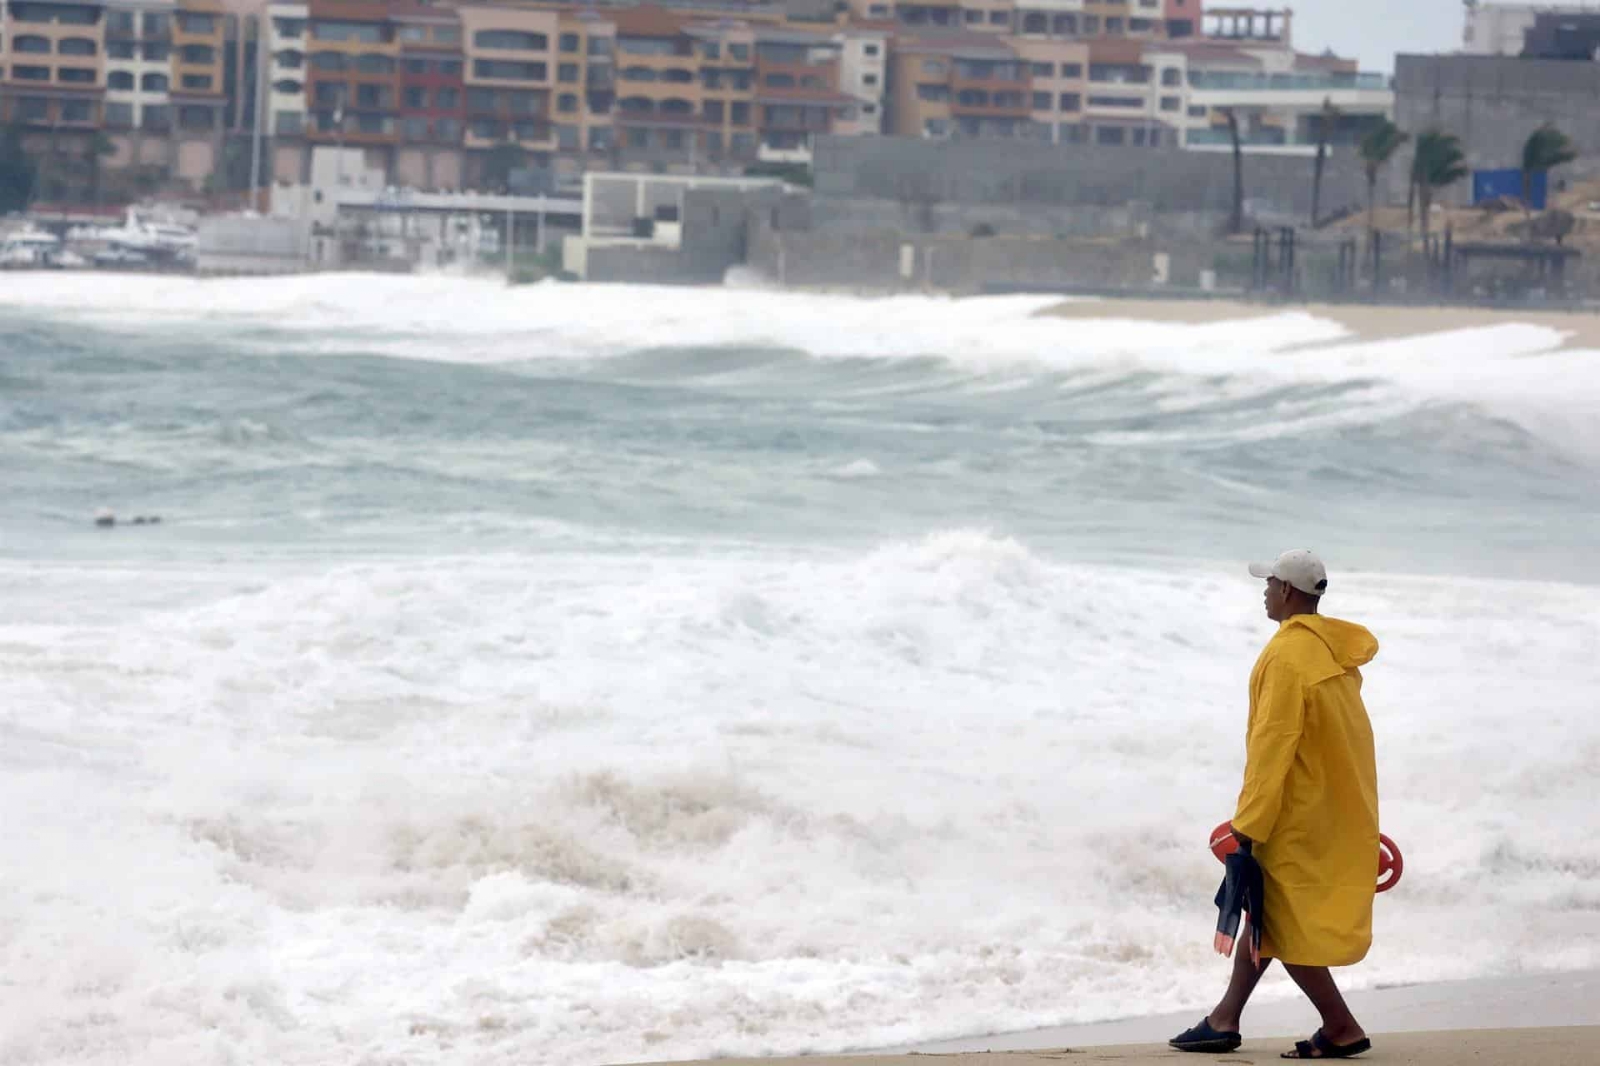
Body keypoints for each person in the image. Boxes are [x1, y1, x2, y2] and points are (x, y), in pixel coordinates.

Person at [1170, 549, 1381, 1060]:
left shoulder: (1285, 657)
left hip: (1294, 815)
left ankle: (1341, 1027)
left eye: (1269, 583)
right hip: (1331, 808)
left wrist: (1248, 824)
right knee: (1266, 915)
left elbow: (1273, 745)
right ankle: (1224, 1018)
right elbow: (1351, 744)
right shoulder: (1332, 655)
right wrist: (1358, 818)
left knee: (1283, 925)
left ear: (1288, 591)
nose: (1264, 591)